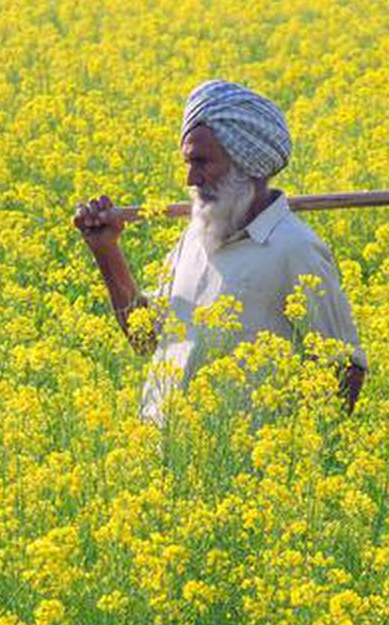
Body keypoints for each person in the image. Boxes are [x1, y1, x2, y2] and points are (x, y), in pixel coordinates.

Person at [73, 80, 367, 426]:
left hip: (245, 471)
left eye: (202, 162)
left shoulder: (295, 249)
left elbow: (345, 369)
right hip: (164, 464)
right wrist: (105, 251)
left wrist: (302, 456)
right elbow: (146, 339)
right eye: (187, 162)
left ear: (248, 165)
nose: (190, 178)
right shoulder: (195, 237)